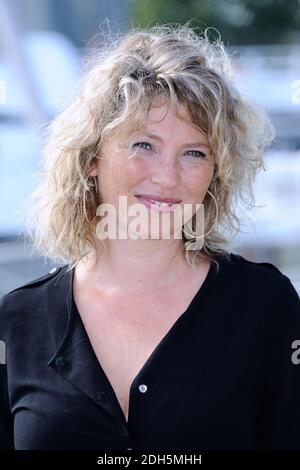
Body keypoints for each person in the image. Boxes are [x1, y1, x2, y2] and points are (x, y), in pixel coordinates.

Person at [1, 24, 300, 451]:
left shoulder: (267, 307)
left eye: (194, 153)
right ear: (91, 158)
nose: (166, 176)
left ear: (216, 173)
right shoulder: (16, 322)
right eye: (143, 144)